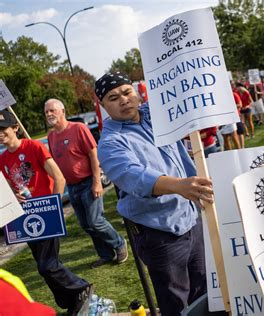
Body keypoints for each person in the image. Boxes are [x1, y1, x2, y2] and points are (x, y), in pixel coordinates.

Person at [95, 72, 212, 315]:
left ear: (136, 92)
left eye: (127, 92)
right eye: (113, 97)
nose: (124, 100)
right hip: (160, 234)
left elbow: (180, 98)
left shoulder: (155, 116)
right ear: (103, 105)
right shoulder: (110, 142)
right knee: (175, 302)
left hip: (192, 218)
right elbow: (132, 175)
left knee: (205, 291)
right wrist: (179, 185)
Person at [0, 110, 92, 315]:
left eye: (3, 128)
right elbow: (8, 189)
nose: (0, 133)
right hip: (26, 218)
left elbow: (59, 178)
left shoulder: (33, 146)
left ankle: (81, 289)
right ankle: (71, 301)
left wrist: (54, 207)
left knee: (47, 265)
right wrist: (14, 197)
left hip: (46, 214)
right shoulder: (3, 158)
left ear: (15, 128)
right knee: (45, 265)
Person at [44, 98, 128, 269]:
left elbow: (93, 154)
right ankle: (105, 254)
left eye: (52, 110)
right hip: (72, 187)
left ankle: (119, 244)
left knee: (96, 221)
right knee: (85, 224)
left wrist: (97, 182)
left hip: (88, 182)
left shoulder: (78, 128)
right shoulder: (51, 136)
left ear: (63, 111)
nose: (49, 114)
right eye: (46, 112)